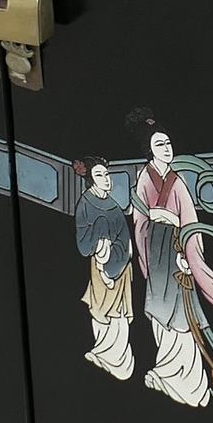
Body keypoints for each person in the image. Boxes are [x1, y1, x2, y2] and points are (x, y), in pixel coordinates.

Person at [128, 112, 213, 407]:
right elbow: (139, 221)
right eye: (159, 144)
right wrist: (147, 252)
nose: (167, 148)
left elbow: (190, 222)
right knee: (160, 315)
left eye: (168, 143)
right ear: (148, 150)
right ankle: (167, 372)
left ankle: (190, 384)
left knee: (182, 317)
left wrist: (190, 256)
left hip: (177, 253)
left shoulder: (177, 182)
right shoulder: (143, 178)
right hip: (156, 255)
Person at [72, 157, 134, 380]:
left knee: (119, 317)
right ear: (90, 179)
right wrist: (101, 244)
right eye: (99, 175)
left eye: (106, 175)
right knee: (100, 311)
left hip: (120, 268)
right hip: (99, 266)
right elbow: (83, 241)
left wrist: (118, 258)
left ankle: (119, 359)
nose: (106, 180)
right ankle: (103, 352)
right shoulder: (85, 204)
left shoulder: (114, 206)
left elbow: (125, 238)